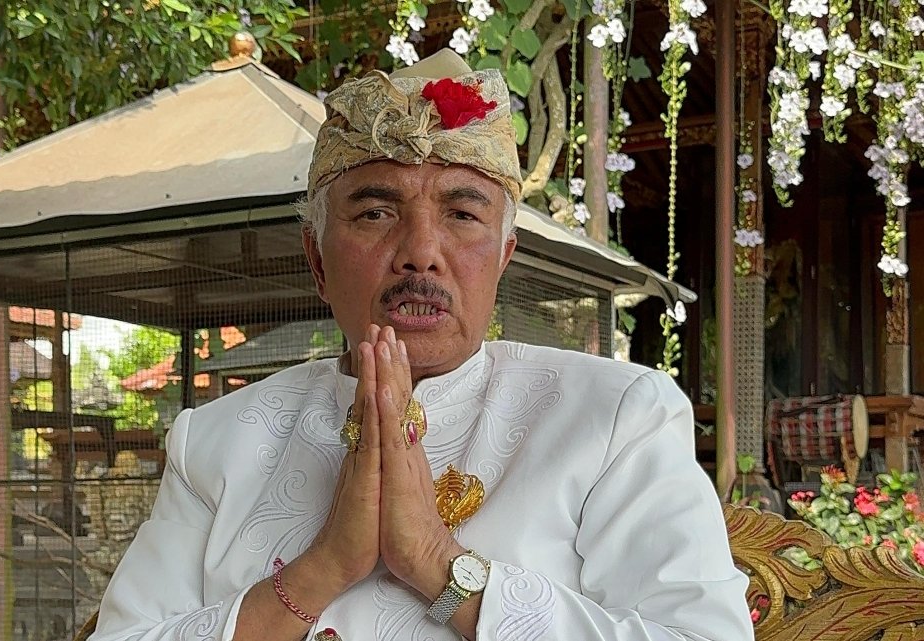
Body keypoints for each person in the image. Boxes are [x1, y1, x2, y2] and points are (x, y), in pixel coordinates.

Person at [89, 49, 753, 641]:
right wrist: (324, 568)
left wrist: (436, 562)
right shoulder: (214, 442)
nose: (421, 252)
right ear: (317, 260)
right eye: (376, 213)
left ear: (502, 258)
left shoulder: (613, 418)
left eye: (462, 214)